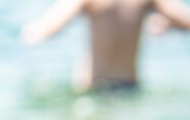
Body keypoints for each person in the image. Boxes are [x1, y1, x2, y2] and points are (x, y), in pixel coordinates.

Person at [22, 0, 190, 91]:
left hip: (94, 88)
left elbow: (48, 28)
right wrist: (167, 23)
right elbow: (186, 21)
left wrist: (30, 32)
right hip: (129, 88)